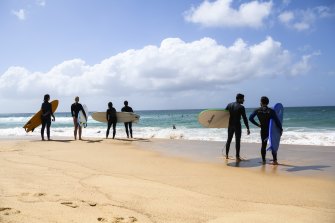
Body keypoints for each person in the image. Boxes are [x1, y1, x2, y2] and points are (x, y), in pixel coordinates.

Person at [249, 96, 283, 165]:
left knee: (263, 145)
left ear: (261, 102)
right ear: (268, 103)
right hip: (271, 131)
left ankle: (264, 161)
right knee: (273, 144)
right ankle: (275, 161)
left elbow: (250, 118)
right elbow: (277, 121)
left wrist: (258, 125)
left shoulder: (257, 110)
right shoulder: (271, 111)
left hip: (263, 130)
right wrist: (280, 129)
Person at [225, 93, 250, 161]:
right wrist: (248, 128)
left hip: (230, 125)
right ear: (239, 99)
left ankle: (226, 155)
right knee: (237, 141)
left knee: (229, 140)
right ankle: (237, 157)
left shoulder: (229, 105)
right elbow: (244, 118)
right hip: (237, 125)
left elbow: (224, 115)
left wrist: (220, 124)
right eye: (243, 99)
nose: (244, 100)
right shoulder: (241, 107)